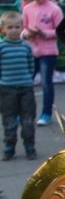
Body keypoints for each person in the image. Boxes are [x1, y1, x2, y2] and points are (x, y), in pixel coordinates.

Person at [19, 0, 62, 125]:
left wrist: (44, 33)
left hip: (48, 52)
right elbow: (23, 29)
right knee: (26, 83)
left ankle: (46, 113)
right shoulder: (27, 9)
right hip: (30, 50)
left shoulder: (54, 9)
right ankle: (24, 113)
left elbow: (60, 31)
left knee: (46, 83)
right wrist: (27, 34)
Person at [0, 10, 37, 160]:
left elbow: (31, 66)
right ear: (2, 29)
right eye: (10, 27)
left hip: (26, 88)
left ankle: (30, 146)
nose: (14, 30)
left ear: (22, 28)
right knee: (9, 119)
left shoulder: (26, 47)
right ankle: (9, 147)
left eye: (17, 27)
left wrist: (28, 79)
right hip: (7, 89)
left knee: (27, 119)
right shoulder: (2, 47)